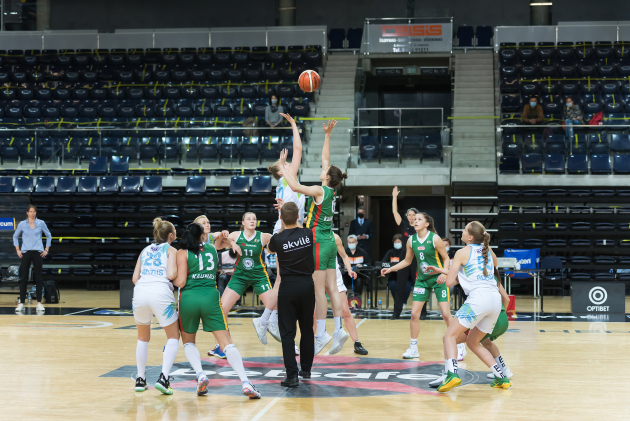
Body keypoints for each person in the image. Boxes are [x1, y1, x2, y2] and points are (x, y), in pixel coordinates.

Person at [278, 120, 350, 356]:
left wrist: (283, 168)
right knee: (332, 287)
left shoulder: (320, 190)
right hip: (329, 240)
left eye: (324, 171)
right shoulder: (331, 190)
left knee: (318, 290)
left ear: (327, 177)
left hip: (318, 240)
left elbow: (295, 187)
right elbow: (326, 159)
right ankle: (338, 329)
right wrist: (327, 135)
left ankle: (321, 334)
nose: (322, 168)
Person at [174, 223, 261, 399]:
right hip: (210, 297)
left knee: (189, 342)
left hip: (189, 298)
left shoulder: (182, 252)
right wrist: (230, 240)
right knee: (226, 343)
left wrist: (171, 279)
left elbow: (181, 282)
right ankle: (245, 381)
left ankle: (201, 375)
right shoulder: (212, 249)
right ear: (202, 236)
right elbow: (218, 238)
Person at [433, 221, 512, 392]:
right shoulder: (488, 251)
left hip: (478, 300)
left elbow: (449, 282)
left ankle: (452, 374)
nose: (461, 231)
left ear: (469, 237)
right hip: (494, 301)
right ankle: (501, 376)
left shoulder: (461, 252)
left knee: (449, 336)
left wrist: (447, 274)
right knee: (473, 342)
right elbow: (487, 268)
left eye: (464, 229)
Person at [254, 113, 304, 352]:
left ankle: (269, 319)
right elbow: (298, 149)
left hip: (289, 230)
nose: (292, 164)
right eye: (286, 164)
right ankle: (267, 320)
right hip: (286, 231)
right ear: (282, 170)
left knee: (286, 280)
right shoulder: (287, 180)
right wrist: (293, 124)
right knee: (286, 280)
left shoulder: (286, 183)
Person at [381, 212, 461, 360]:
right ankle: (413, 349)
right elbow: (407, 261)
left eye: (419, 219)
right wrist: (391, 269)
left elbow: (446, 258)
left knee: (445, 314)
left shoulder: (434, 239)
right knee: (414, 315)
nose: (415, 221)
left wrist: (443, 274)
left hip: (438, 279)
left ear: (426, 224)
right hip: (422, 280)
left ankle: (459, 344)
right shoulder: (411, 240)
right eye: (414, 219)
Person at [428, 268, 513, 388]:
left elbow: (453, 279)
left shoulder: (473, 271)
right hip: (501, 317)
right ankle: (503, 371)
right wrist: (499, 315)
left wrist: (438, 270)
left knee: (451, 338)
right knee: (485, 341)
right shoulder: (491, 277)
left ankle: (449, 373)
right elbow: (507, 299)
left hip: (481, 310)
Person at [210, 212, 277, 355]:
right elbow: (218, 246)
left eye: (254, 219)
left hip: (259, 276)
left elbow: (279, 242)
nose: (252, 221)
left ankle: (290, 344)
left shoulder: (263, 236)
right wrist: (229, 241)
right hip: (240, 276)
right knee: (222, 309)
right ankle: (221, 345)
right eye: (249, 219)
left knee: (275, 308)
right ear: (243, 222)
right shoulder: (235, 235)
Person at [267, 202, 315, 387]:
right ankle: (306, 369)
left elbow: (269, 249)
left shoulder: (277, 239)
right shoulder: (307, 233)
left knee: (287, 333)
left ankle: (292, 376)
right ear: (298, 217)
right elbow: (300, 226)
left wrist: (282, 225)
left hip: (287, 287)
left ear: (281, 218)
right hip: (307, 285)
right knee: (307, 329)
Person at [131, 218, 180, 395]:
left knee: (142, 338)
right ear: (171, 235)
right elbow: (171, 274)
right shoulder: (172, 250)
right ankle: (163, 378)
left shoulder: (144, 250)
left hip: (140, 292)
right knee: (173, 337)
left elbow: (135, 278)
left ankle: (140, 379)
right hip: (160, 292)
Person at [333, 233, 367, 355]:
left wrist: (349, 270)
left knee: (345, 311)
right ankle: (309, 343)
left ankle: (356, 343)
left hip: (334, 276)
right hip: (317, 275)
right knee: (313, 313)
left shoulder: (335, 237)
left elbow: (344, 256)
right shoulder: (310, 235)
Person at [13, 205, 51, 312]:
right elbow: (15, 236)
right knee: (23, 278)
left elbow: (49, 235)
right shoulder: (22, 224)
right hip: (25, 252)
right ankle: (21, 303)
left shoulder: (41, 223)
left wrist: (46, 249)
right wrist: (17, 249)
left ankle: (39, 303)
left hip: (38, 253)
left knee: (38, 278)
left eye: (34, 211)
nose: (32, 213)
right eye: (30, 211)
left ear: (36, 213)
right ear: (27, 213)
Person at [391, 187, 418, 320]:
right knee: (400, 286)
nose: (411, 217)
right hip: (404, 258)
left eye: (413, 215)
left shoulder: (420, 228)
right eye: (409, 215)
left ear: (417, 217)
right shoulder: (403, 226)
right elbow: (395, 212)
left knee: (419, 286)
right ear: (407, 217)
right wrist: (394, 197)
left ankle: (422, 312)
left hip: (417, 259)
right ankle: (396, 312)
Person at [382, 234, 412, 307]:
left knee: (408, 285)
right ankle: (397, 302)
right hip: (394, 275)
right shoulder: (390, 252)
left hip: (406, 276)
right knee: (392, 284)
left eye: (398, 242)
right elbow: (383, 263)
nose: (396, 243)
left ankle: (403, 302)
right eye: (395, 242)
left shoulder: (407, 252)